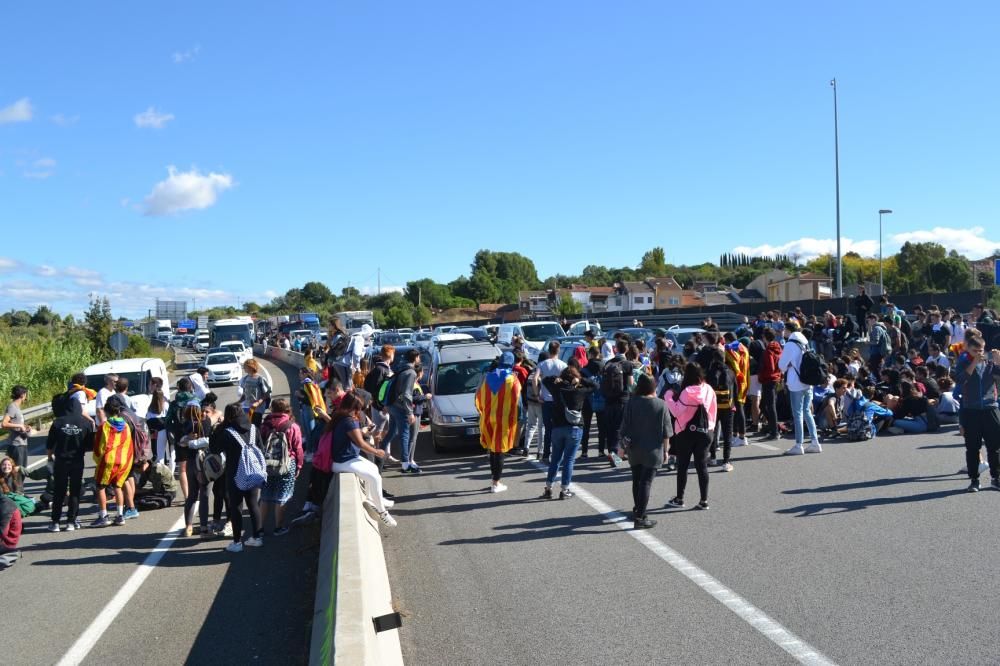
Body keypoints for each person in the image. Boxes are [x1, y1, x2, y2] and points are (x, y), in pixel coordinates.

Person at [328, 392, 396, 526]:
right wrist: (377, 452)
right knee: (374, 477)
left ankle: (374, 499)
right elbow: (361, 443)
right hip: (342, 461)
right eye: (359, 409)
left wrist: (363, 430)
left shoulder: (340, 415)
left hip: (345, 457)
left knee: (374, 468)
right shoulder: (349, 421)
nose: (360, 412)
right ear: (354, 407)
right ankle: (383, 513)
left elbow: (354, 436)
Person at [209, 403, 264, 552]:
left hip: (235, 474)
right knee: (253, 504)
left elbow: (214, 448)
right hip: (253, 472)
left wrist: (217, 428)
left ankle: (237, 542)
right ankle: (257, 538)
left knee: (236, 507)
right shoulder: (253, 429)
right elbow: (262, 449)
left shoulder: (227, 432)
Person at [621, 374, 673, 529]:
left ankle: (637, 509)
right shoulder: (661, 404)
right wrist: (666, 450)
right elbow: (666, 432)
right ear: (654, 386)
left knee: (636, 480)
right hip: (653, 449)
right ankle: (640, 517)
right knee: (646, 482)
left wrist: (621, 447)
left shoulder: (631, 402)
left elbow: (624, 427)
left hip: (634, 448)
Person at [665, 363, 717, 510]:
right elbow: (713, 410)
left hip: (686, 432)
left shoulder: (686, 391)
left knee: (683, 466)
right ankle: (704, 500)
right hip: (706, 431)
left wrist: (668, 396)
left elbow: (676, 411)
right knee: (702, 466)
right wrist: (711, 428)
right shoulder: (708, 389)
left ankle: (680, 498)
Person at [540, 366, 595, 500]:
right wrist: (580, 379)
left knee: (555, 459)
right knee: (569, 460)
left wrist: (559, 380)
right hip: (574, 428)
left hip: (557, 427)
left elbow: (546, 379)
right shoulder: (580, 391)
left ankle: (548, 488)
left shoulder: (557, 388)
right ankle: (564, 490)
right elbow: (595, 385)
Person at [954, 341, 1000, 492]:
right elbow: (960, 380)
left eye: (981, 350)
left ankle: (996, 478)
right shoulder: (963, 363)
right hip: (971, 410)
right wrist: (973, 362)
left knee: (995, 447)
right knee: (972, 448)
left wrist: (998, 362)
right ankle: (974, 480)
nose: (979, 353)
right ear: (968, 350)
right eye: (975, 351)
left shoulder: (990, 365)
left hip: (990, 409)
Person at [475, 351, 522, 493]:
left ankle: (494, 480)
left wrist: (483, 411)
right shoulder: (513, 379)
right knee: (500, 450)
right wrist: (518, 418)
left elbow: (478, 396)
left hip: (488, 418)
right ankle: (496, 483)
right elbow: (518, 403)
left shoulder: (487, 377)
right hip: (504, 419)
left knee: (492, 450)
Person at [45, 395, 94, 531]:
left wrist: (50, 458)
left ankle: (55, 522)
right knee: (75, 491)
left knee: (59, 491)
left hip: (61, 461)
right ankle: (71, 522)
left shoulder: (58, 422)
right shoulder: (86, 423)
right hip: (77, 461)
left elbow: (50, 445)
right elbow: (90, 445)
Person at [259, 399, 304, 536]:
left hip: (267, 464)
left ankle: (259, 529)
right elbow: (298, 449)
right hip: (287, 463)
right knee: (282, 496)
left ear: (272, 409)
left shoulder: (265, 424)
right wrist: (299, 466)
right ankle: (278, 528)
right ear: (287, 409)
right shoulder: (292, 426)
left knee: (265, 496)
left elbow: (259, 444)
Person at [778, 321, 822, 455]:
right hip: (808, 382)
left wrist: (789, 365)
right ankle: (815, 442)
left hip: (796, 382)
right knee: (807, 412)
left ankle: (799, 445)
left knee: (797, 414)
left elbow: (781, 365)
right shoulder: (805, 342)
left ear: (788, 330)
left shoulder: (790, 344)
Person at [91, 399, 134, 527]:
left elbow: (99, 445)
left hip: (108, 460)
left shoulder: (105, 426)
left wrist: (98, 459)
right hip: (122, 461)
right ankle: (120, 515)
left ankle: (103, 515)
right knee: (117, 487)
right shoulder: (126, 426)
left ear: (106, 411)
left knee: (100, 487)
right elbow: (128, 444)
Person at [180, 402, 213, 537]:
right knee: (204, 495)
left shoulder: (186, 424)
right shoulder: (207, 423)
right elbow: (210, 440)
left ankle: (188, 526)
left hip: (190, 462)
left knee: (191, 496)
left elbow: (180, 442)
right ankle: (204, 528)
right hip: (204, 463)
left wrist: (188, 441)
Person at [387, 349, 421, 473]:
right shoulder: (411, 373)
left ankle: (380, 454)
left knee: (391, 432)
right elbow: (407, 394)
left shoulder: (401, 368)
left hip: (392, 405)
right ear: (416, 357)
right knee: (405, 435)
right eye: (419, 357)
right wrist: (409, 412)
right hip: (401, 407)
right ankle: (406, 464)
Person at [604, 338, 634, 467]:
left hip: (609, 399)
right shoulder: (627, 364)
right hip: (623, 399)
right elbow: (631, 384)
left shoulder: (608, 363)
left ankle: (612, 452)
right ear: (626, 349)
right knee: (620, 428)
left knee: (610, 428)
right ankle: (616, 454)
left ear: (615, 349)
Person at [538, 341, 568, 462]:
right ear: (558, 350)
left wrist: (537, 394)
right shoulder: (563, 365)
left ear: (549, 350)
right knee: (560, 427)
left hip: (546, 400)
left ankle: (546, 454)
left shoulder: (542, 364)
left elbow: (535, 379)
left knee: (548, 428)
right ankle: (559, 453)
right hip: (559, 400)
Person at [757, 328, 782, 441]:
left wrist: (762, 372)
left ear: (764, 338)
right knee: (764, 405)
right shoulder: (778, 348)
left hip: (768, 379)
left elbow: (770, 367)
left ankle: (775, 431)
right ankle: (773, 426)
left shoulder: (767, 351)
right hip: (776, 378)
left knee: (770, 406)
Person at [3, 386, 31, 469]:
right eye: (26, 394)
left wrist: (25, 427)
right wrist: (20, 426)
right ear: (22, 395)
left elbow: (15, 423)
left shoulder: (17, 407)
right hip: (16, 445)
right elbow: (4, 423)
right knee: (17, 472)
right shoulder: (12, 407)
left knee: (22, 470)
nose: (26, 396)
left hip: (22, 443)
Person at [239, 359, 272, 428]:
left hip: (257, 408)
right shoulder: (245, 379)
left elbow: (267, 393)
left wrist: (258, 403)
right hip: (248, 407)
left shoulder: (260, 379)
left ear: (251, 367)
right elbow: (245, 393)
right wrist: (238, 402)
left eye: (245, 366)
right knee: (249, 426)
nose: (244, 368)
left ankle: (257, 438)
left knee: (256, 426)